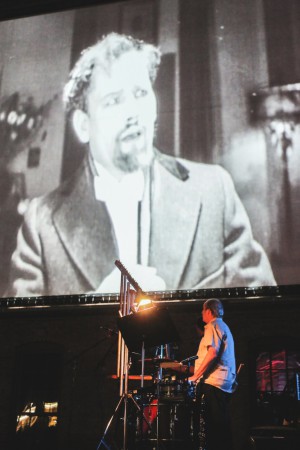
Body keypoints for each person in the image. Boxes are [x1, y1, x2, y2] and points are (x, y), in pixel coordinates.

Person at [7, 33, 276, 297]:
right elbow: (21, 334)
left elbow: (262, 317)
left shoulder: (214, 190)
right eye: (113, 100)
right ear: (83, 125)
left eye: (140, 93)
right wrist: (95, 310)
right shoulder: (41, 224)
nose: (133, 113)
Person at [188, 298, 236, 450]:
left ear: (209, 311)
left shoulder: (212, 326)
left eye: (203, 310)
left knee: (213, 429)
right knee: (221, 427)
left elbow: (212, 352)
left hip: (213, 383)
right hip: (223, 383)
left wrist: (195, 377)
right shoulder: (224, 327)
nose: (202, 313)